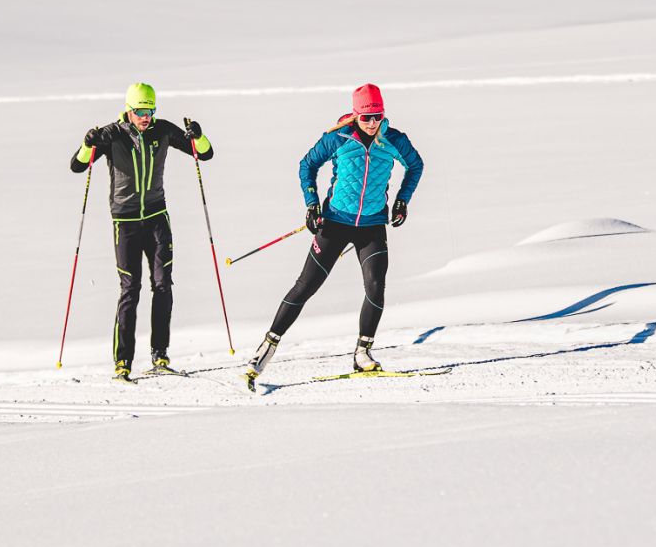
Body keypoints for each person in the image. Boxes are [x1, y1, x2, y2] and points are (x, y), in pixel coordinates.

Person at [245, 83, 422, 389]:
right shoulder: (337, 138)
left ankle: (363, 351)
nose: (371, 123)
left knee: (376, 285)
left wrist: (402, 199)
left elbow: (415, 165)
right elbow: (307, 164)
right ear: (355, 116)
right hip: (335, 222)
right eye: (366, 118)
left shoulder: (393, 139)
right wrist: (312, 203)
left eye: (377, 116)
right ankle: (268, 346)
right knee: (306, 285)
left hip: (372, 224)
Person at [69, 83, 214, 380]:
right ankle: (123, 362)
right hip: (126, 221)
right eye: (140, 112)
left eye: (150, 111)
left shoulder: (162, 130)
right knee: (130, 289)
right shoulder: (112, 134)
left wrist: (198, 136)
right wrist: (88, 143)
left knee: (163, 285)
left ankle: (160, 355)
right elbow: (77, 166)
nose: (146, 117)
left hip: (158, 216)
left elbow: (205, 154)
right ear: (129, 110)